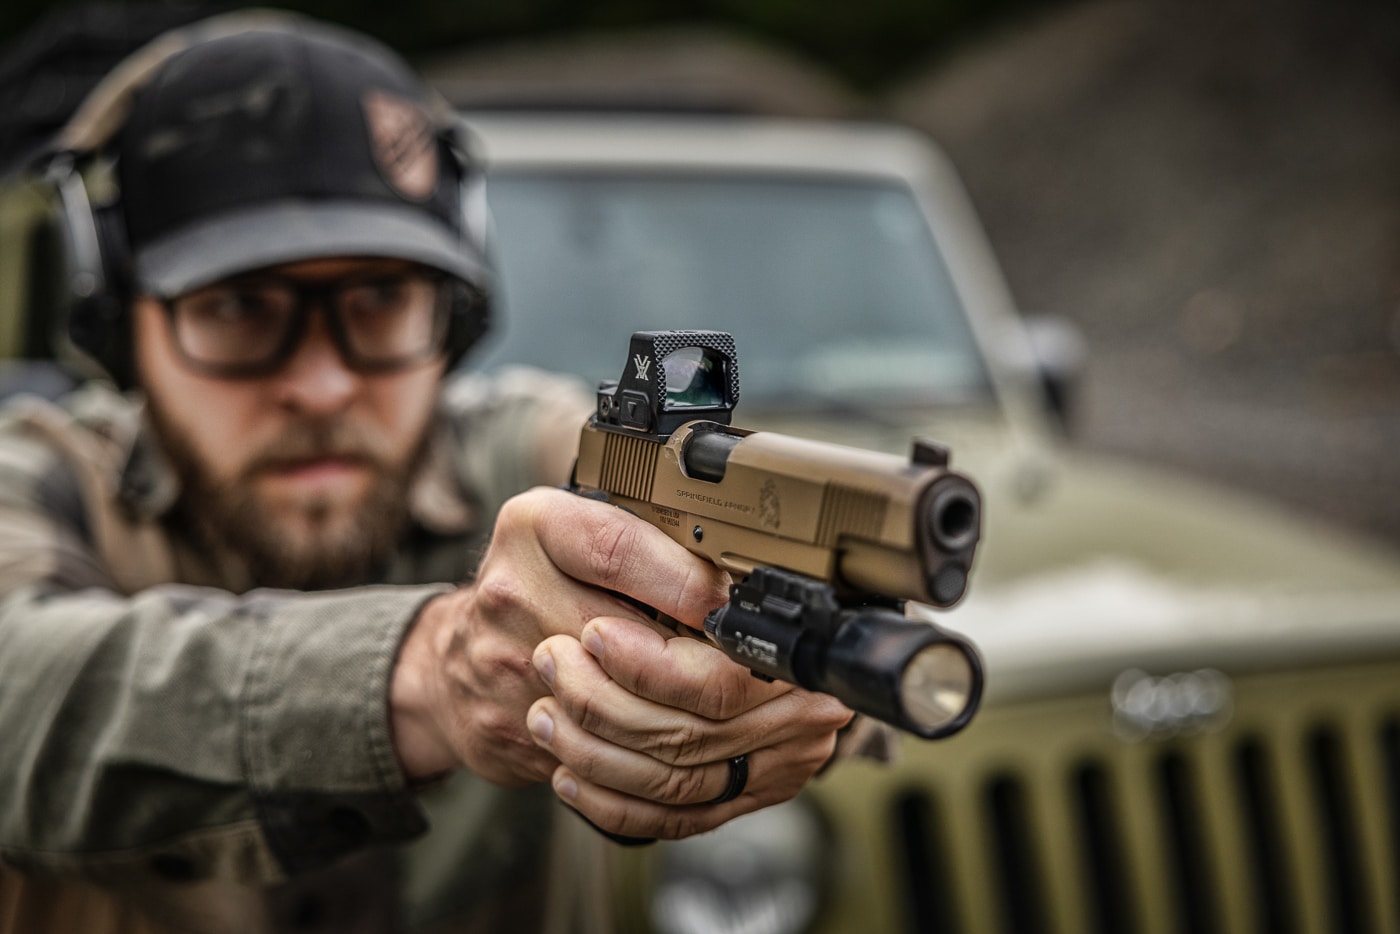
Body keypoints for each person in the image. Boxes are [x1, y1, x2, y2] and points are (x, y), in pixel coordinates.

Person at [0, 11, 874, 933]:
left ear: (452, 316)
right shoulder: (43, 480)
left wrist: (786, 668)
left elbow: (746, 538)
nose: (323, 387)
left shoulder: (528, 455)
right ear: (117, 323)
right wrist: (433, 674)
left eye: (380, 299)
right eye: (240, 307)